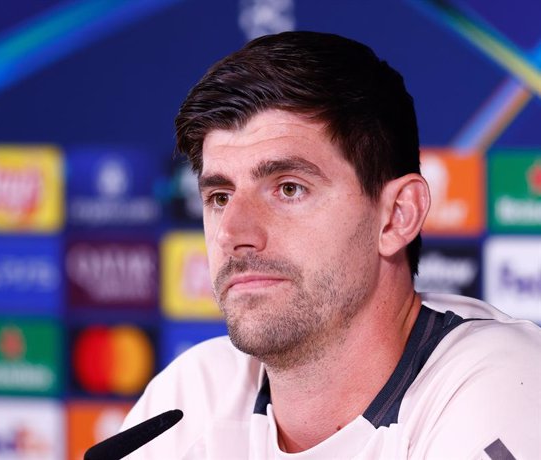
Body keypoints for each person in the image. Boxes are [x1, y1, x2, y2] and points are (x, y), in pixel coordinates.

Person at [120, 31, 541, 459]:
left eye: (288, 189)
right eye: (219, 197)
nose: (233, 233)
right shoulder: (192, 394)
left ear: (397, 215)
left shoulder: (505, 382)